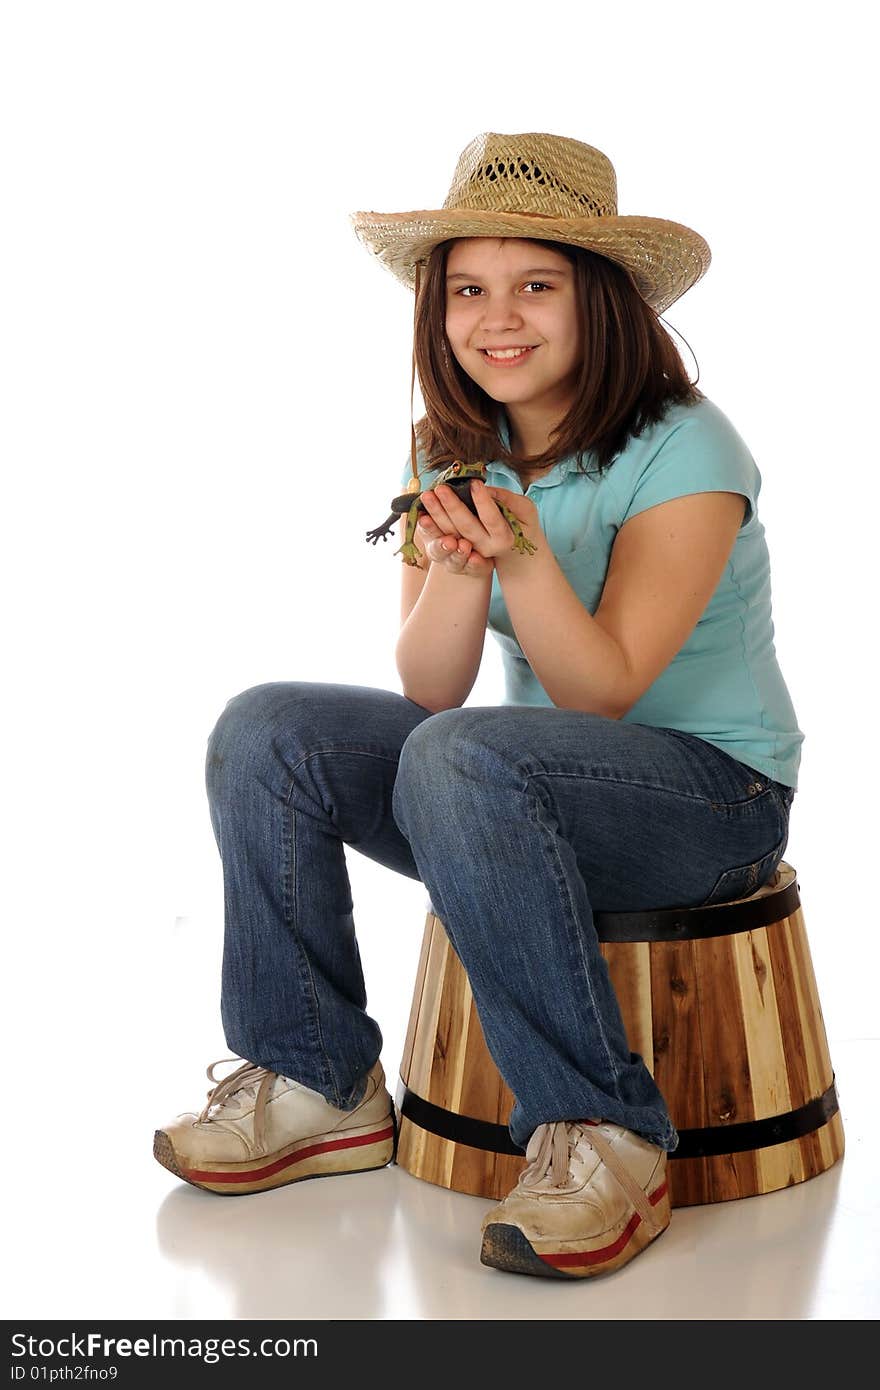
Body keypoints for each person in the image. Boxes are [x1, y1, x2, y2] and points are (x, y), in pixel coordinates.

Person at [154, 132, 802, 1280]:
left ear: (600, 301)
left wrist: (522, 557)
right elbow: (429, 687)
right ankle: (317, 1078)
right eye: (466, 290)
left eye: (535, 285)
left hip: (709, 801)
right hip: (500, 795)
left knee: (462, 755)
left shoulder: (689, 449)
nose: (496, 318)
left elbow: (603, 689)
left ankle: (603, 1133)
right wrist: (458, 563)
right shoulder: (451, 447)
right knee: (269, 728)